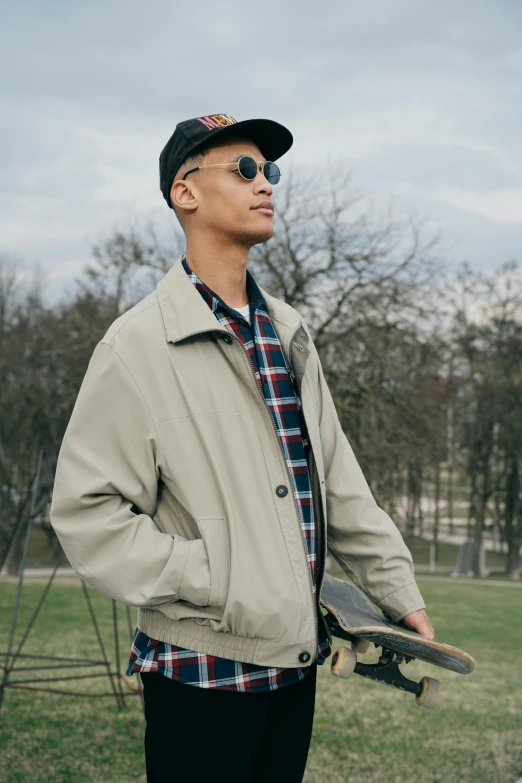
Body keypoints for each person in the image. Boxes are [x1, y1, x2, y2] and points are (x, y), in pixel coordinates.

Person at [49, 113, 434, 783]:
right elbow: (87, 514)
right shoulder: (135, 346)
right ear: (185, 192)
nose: (267, 184)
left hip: (294, 669)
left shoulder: (290, 332)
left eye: (272, 171)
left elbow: (337, 481)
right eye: (246, 169)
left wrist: (399, 591)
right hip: (199, 677)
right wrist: (216, 576)